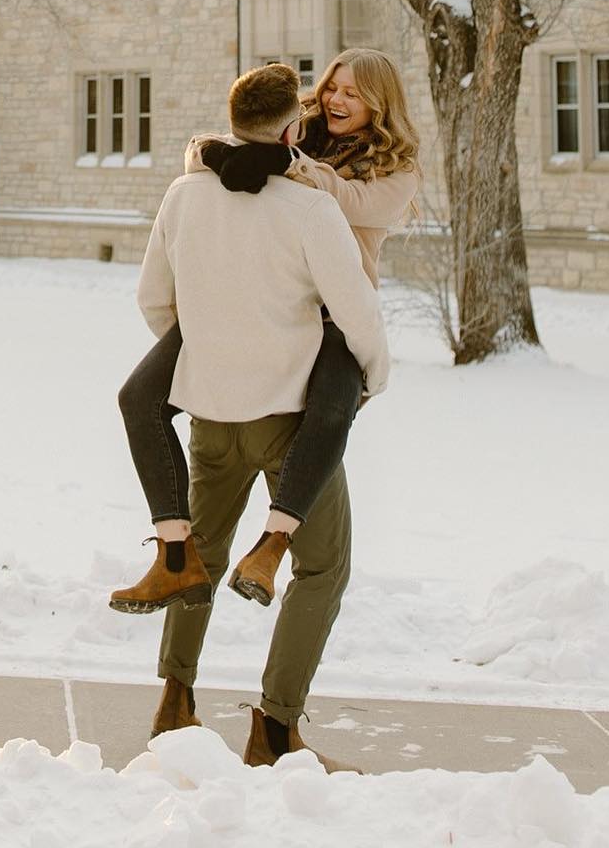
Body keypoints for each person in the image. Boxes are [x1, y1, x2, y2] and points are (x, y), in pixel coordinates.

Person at [125, 62, 392, 767]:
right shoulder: (309, 209)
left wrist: (212, 350)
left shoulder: (184, 196)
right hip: (289, 419)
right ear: (287, 130)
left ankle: (174, 704)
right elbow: (356, 311)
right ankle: (274, 729)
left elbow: (155, 301)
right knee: (323, 566)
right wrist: (374, 376)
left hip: (211, 417)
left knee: (199, 559)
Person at [110, 49, 420, 618]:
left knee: (333, 408)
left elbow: (340, 198)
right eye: (333, 87)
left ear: (380, 104)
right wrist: (228, 155)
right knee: (137, 397)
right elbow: (221, 139)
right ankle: (174, 555)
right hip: (256, 305)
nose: (337, 100)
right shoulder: (294, 126)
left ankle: (273, 544)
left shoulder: (394, 173)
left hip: (330, 318)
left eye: (353, 93)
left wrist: (272, 161)